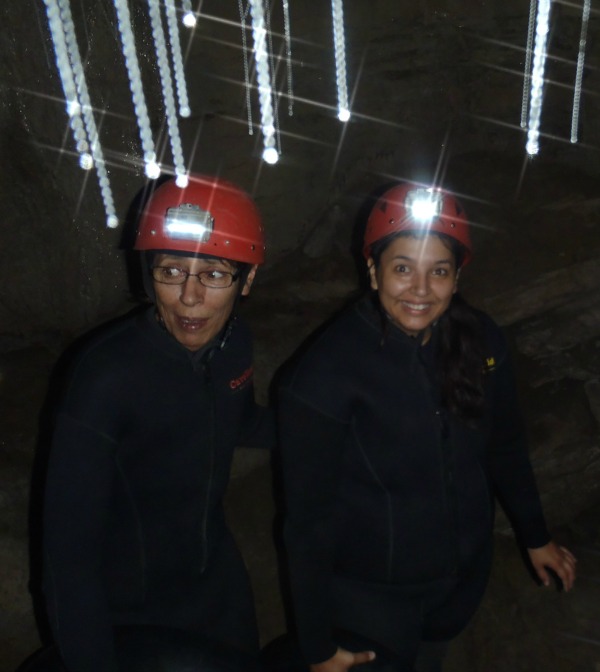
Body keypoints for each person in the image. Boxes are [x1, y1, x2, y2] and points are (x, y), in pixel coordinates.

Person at [277, 182, 577, 672]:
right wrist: (316, 645)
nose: (420, 289)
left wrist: (535, 534)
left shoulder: (479, 338)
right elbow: (307, 524)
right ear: (372, 271)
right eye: (402, 269)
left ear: (457, 277)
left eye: (438, 271)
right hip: (371, 600)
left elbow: (505, 445)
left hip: (460, 583)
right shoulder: (325, 376)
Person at [42, 174, 274, 672]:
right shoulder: (105, 376)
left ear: (247, 278)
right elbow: (67, 550)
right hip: (130, 607)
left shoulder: (236, 345)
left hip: (216, 587)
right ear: (150, 274)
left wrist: (336, 423)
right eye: (171, 271)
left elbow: (241, 421)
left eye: (213, 274)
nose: (189, 298)